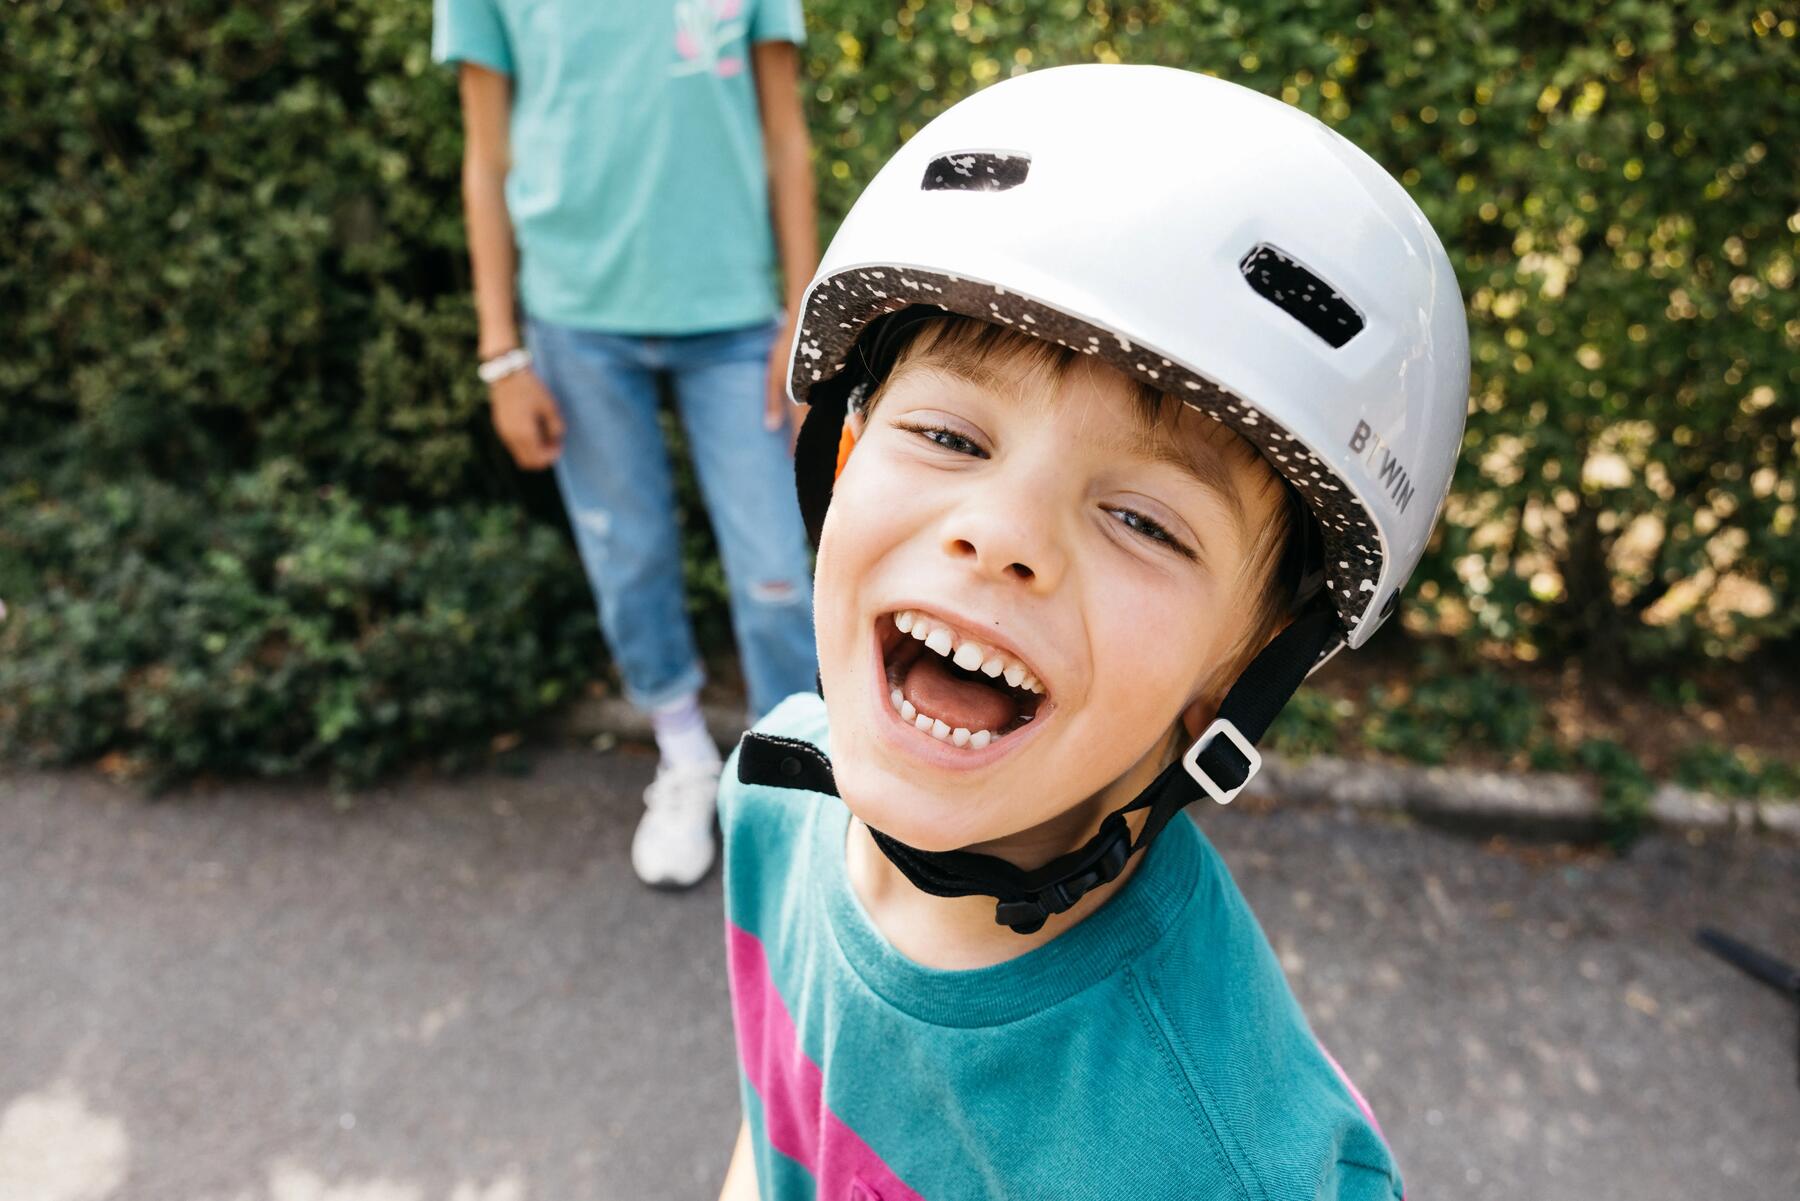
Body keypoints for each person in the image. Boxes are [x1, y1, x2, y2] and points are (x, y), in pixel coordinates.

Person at [715, 65, 1470, 1199]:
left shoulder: (1225, 1163)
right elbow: (773, 1128)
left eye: (1143, 521)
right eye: (951, 436)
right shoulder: (774, 795)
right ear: (843, 457)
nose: (1004, 534)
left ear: (1240, 675)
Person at [434, 0, 822, 889]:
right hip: (577, 323)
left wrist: (803, 316)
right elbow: (485, 157)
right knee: (630, 557)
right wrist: (502, 354)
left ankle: (788, 786)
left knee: (775, 578)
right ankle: (684, 755)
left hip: (733, 320)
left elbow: (784, 135)